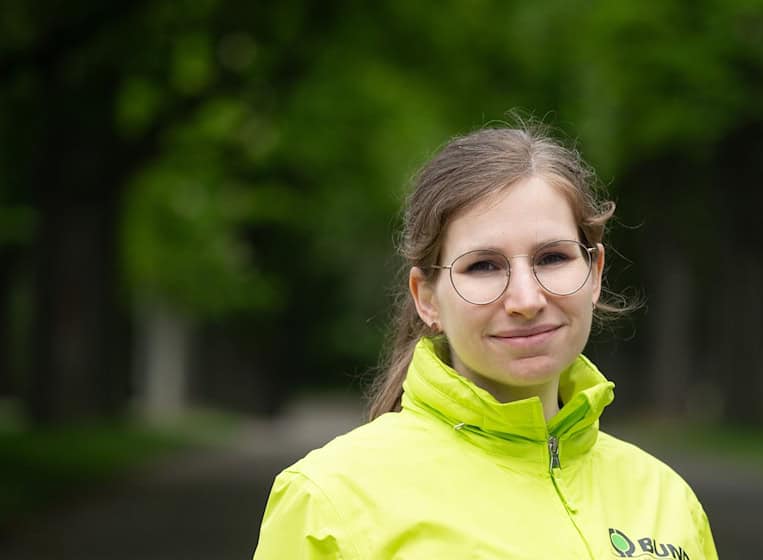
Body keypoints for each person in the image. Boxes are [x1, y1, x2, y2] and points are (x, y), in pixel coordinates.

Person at [252, 123, 718, 559]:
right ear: (427, 298)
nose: (525, 299)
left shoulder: (668, 501)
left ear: (594, 273)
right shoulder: (328, 500)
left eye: (552, 257)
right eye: (483, 266)